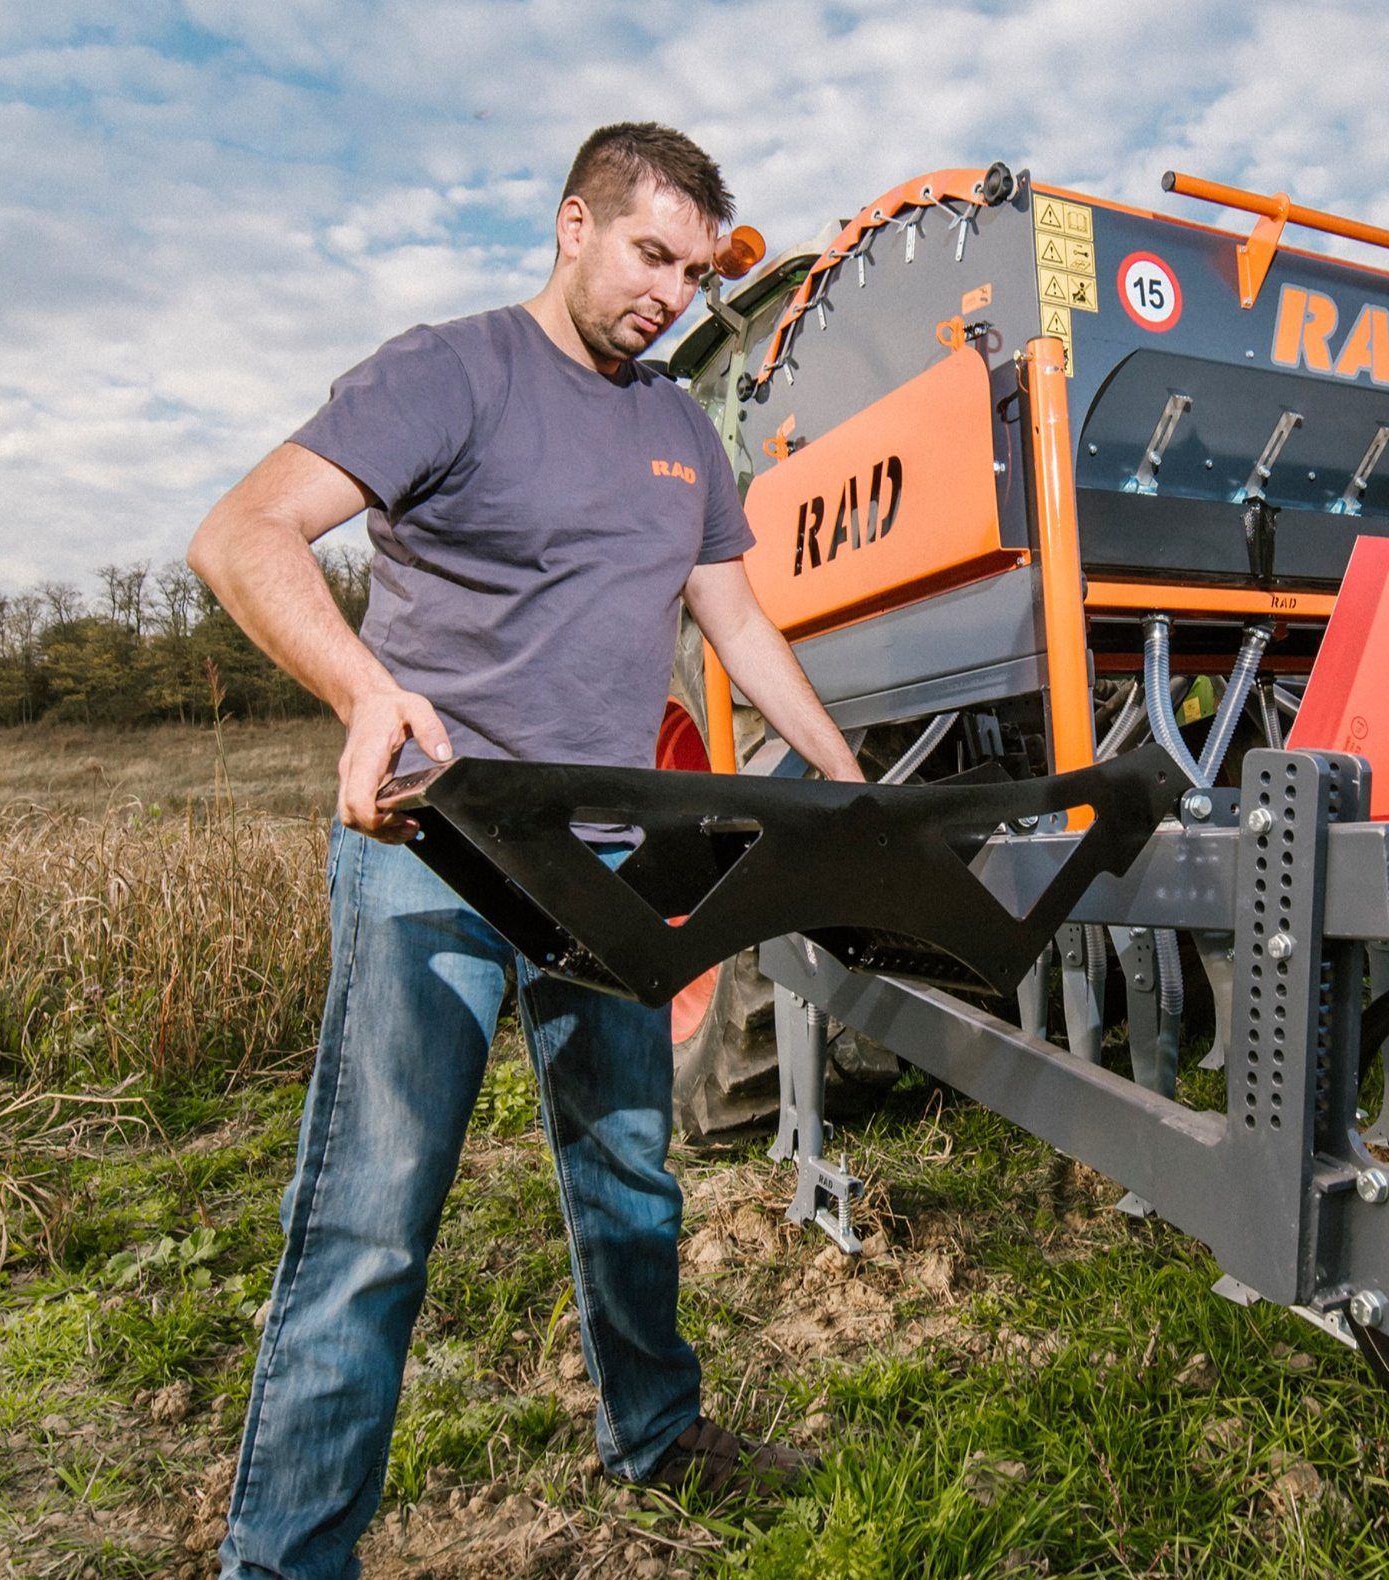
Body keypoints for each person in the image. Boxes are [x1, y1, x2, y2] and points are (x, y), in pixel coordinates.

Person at [188, 121, 862, 1580]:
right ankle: (288, 1557)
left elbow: (738, 623)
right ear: (573, 224)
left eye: (692, 270)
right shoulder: (451, 372)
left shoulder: (685, 428)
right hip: (431, 854)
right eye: (648, 255)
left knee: (631, 1172)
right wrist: (366, 691)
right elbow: (243, 535)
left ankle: (655, 1431)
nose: (672, 294)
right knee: (373, 1219)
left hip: (608, 871)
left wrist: (845, 776)